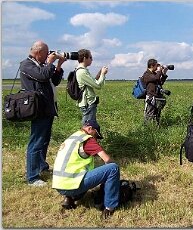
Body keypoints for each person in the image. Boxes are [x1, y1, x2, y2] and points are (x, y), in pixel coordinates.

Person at [20, 40, 66, 186]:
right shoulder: (26, 65)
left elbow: (55, 80)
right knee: (36, 142)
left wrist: (58, 65)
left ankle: (41, 166)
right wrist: (50, 62)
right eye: (46, 53)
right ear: (38, 52)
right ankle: (32, 177)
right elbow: (43, 76)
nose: (48, 55)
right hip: (38, 110)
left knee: (44, 140)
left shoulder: (41, 65)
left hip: (47, 108)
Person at [52, 120, 120, 219]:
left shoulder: (71, 138)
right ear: (90, 129)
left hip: (59, 185)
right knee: (113, 168)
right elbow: (107, 160)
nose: (96, 139)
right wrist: (110, 178)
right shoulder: (87, 140)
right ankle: (109, 207)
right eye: (96, 135)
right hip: (72, 185)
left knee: (86, 172)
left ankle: (69, 198)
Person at [75, 49, 108, 125]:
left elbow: (93, 82)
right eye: (90, 57)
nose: (92, 59)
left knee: (90, 125)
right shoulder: (82, 72)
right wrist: (103, 74)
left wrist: (99, 74)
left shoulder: (82, 70)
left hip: (87, 102)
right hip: (88, 103)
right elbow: (98, 85)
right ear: (84, 58)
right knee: (88, 126)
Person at [141, 59, 170, 125]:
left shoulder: (154, 74)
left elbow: (160, 83)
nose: (157, 67)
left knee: (157, 114)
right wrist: (159, 71)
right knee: (150, 114)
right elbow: (156, 78)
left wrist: (164, 73)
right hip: (151, 97)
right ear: (151, 66)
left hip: (157, 97)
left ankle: (156, 126)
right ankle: (147, 128)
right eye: (156, 65)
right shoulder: (147, 74)